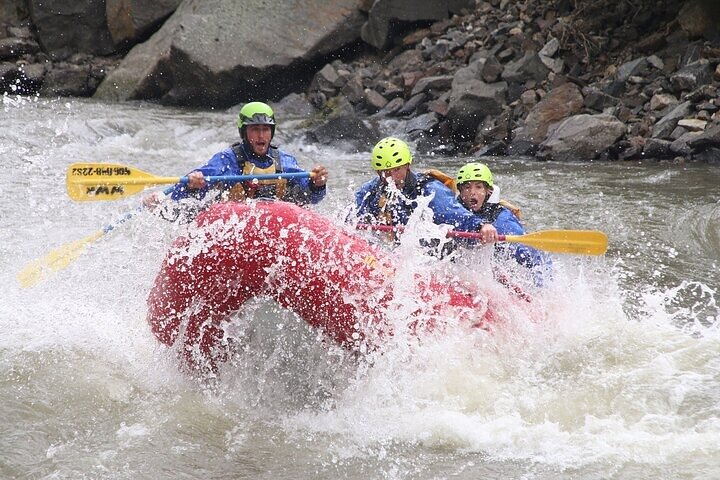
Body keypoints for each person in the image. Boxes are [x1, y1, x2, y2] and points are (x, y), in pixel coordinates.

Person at [145, 101, 327, 214]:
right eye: (255, 129)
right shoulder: (228, 160)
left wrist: (317, 184)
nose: (261, 136)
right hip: (233, 228)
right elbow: (184, 194)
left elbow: (311, 197)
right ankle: (156, 206)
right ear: (244, 132)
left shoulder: (284, 161)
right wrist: (193, 184)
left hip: (275, 228)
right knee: (190, 211)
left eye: (265, 129)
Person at [354, 137, 498, 246]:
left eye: (397, 169)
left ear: (407, 166)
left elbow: (455, 214)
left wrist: (481, 226)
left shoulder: (429, 189)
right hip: (393, 250)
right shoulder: (371, 190)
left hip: (430, 254)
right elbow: (351, 217)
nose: (391, 177)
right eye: (385, 172)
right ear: (378, 171)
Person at [455, 161, 550, 282]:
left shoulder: (502, 219)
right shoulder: (454, 210)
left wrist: (541, 286)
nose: (472, 192)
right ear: (460, 191)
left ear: (488, 191)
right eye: (467, 187)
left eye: (478, 187)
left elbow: (530, 256)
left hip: (499, 264)